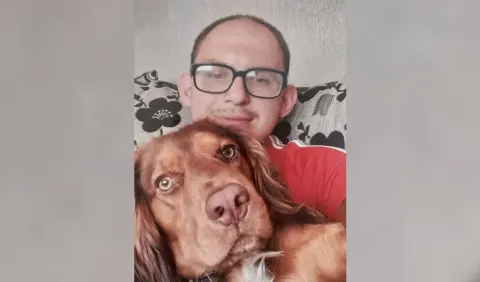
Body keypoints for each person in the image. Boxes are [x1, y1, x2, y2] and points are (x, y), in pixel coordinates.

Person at [177, 14, 346, 225]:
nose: (238, 96)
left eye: (260, 79)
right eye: (216, 75)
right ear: (187, 89)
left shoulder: (326, 169)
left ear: (285, 101)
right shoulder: (141, 173)